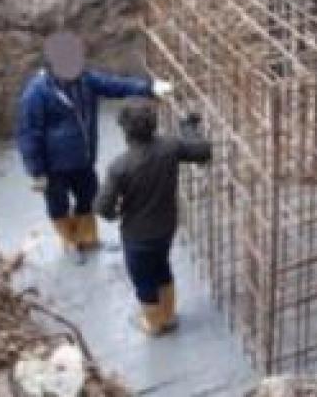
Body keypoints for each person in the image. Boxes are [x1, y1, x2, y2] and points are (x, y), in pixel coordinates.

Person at [16, 31, 173, 263]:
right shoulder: (36, 94)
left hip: (84, 158)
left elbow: (115, 85)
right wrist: (36, 171)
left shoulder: (84, 80)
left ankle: (88, 240)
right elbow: (29, 134)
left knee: (87, 197)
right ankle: (70, 242)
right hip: (54, 167)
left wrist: (149, 88)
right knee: (58, 204)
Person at [98, 99, 212, 336]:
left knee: (143, 279)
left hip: (137, 235)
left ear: (126, 131)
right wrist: (188, 127)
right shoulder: (170, 147)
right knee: (161, 266)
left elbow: (102, 207)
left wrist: (113, 213)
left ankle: (154, 324)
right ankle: (169, 315)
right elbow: (203, 151)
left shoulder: (119, 166)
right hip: (166, 227)